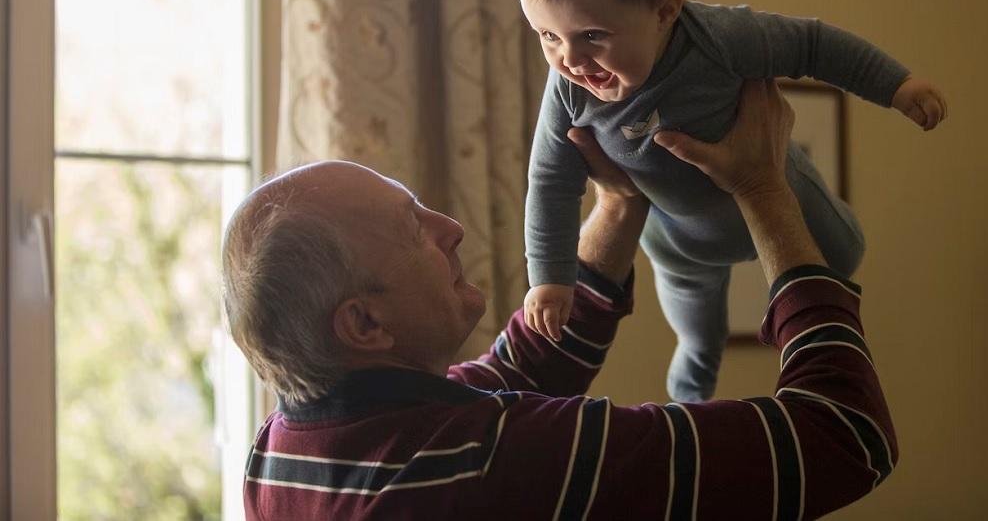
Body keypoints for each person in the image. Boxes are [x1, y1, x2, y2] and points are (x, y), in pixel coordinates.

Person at [223, 79, 897, 520]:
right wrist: (764, 191)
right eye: (414, 230)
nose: (450, 230)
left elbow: (517, 370)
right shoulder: (494, 463)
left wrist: (620, 201)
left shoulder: (282, 453)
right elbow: (843, 436)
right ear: (365, 322)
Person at [519, 0, 947, 400]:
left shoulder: (720, 39)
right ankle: (691, 397)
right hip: (680, 241)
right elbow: (550, 181)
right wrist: (549, 277)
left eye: (592, 36)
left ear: (665, 12)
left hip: (779, 188)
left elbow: (813, 45)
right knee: (698, 334)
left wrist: (897, 85)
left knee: (845, 254)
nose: (570, 60)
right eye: (547, 35)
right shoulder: (567, 90)